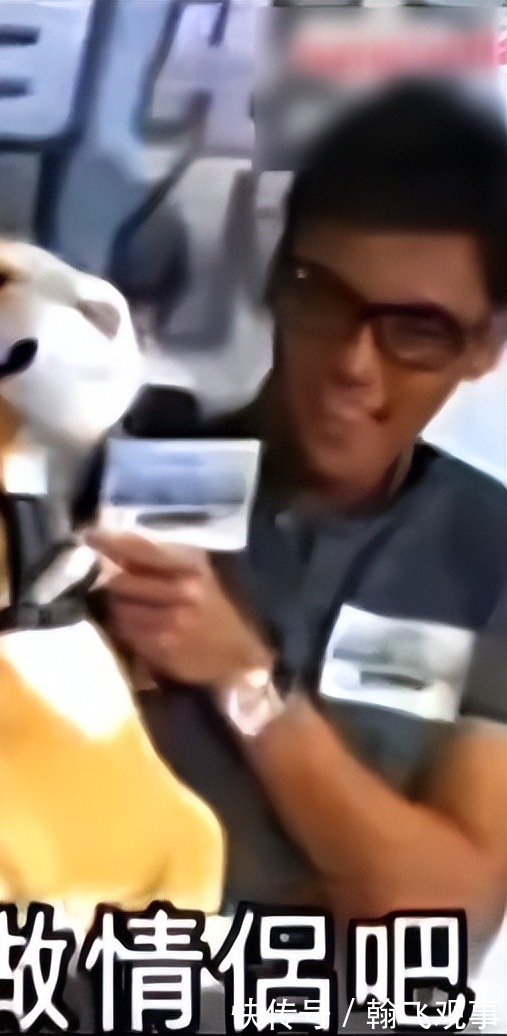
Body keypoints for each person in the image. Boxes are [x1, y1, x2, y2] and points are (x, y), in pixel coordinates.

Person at [90, 81, 507, 947]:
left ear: (483, 348)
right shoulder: (127, 463)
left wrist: (245, 679)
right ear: (279, 279)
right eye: (325, 297)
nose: (354, 363)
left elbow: (445, 920)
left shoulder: (488, 551)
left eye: (416, 330)